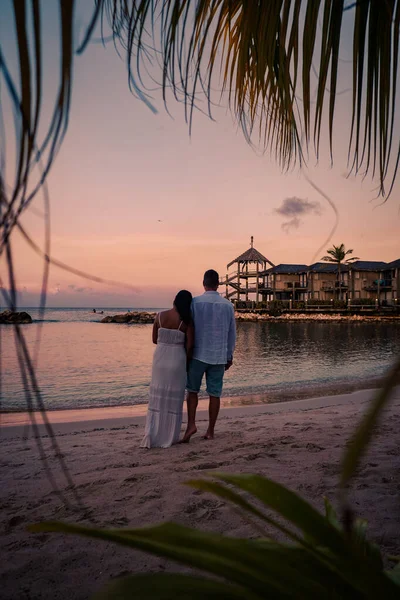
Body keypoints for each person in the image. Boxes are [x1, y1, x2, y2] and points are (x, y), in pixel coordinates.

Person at [182, 269, 236, 442]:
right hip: (219, 355)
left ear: (203, 283)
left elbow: (188, 329)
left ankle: (191, 424)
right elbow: (231, 334)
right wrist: (229, 355)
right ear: (218, 284)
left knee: (192, 391)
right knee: (215, 394)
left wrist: (185, 353)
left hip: (197, 354)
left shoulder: (195, 303)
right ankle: (210, 431)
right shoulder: (227, 305)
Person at [140, 290, 194, 448]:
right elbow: (190, 346)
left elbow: (154, 339)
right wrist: (187, 361)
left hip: (160, 360)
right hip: (177, 359)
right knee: (174, 399)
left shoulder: (159, 316)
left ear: (175, 301)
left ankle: (152, 433)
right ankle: (169, 436)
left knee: (158, 396)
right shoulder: (187, 321)